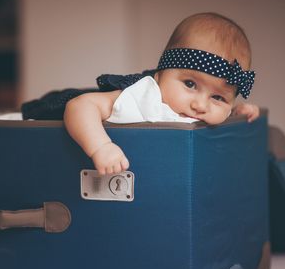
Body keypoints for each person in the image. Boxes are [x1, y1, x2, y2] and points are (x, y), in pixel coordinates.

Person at [63, 12, 260, 175]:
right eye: (190, 84)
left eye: (218, 97)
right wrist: (101, 147)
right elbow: (79, 105)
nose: (200, 105)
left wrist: (235, 115)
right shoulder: (141, 95)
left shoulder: (203, 114)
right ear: (160, 75)